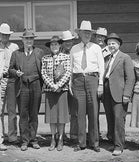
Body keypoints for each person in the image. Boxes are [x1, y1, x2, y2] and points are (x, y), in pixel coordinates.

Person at [69, 20, 104, 152]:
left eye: (89, 33)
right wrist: (70, 83)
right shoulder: (74, 49)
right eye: (85, 32)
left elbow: (101, 67)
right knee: (80, 113)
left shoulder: (96, 48)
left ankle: (94, 142)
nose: (87, 35)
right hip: (78, 81)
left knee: (94, 112)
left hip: (92, 79)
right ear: (80, 34)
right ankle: (81, 142)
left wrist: (100, 84)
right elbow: (71, 68)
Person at [8, 29, 45, 151]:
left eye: (31, 38)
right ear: (22, 40)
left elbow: (44, 70)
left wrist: (44, 85)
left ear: (33, 40)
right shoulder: (16, 53)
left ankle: (33, 139)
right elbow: (10, 69)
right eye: (26, 38)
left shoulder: (39, 52)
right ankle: (24, 141)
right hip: (22, 85)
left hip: (36, 85)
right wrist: (15, 72)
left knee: (34, 113)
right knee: (23, 114)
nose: (29, 41)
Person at [103, 33, 135, 156]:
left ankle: (119, 146)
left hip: (119, 93)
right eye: (109, 43)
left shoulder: (125, 57)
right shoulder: (107, 57)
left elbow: (130, 78)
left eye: (113, 43)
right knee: (110, 119)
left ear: (119, 44)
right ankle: (115, 141)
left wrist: (127, 94)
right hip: (107, 92)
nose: (111, 45)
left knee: (118, 119)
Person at [41, 35, 71, 151]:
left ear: (60, 45)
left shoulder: (65, 57)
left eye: (56, 44)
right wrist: (52, 86)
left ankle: (61, 139)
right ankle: (53, 138)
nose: (54, 46)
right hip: (50, 91)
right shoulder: (45, 58)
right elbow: (43, 73)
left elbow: (68, 72)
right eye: (52, 44)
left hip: (62, 91)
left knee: (61, 117)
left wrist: (58, 85)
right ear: (50, 46)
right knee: (52, 117)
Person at [0, 23, 19, 144]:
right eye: (3, 34)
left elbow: (18, 63)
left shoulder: (15, 47)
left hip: (12, 80)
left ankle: (12, 136)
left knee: (12, 110)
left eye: (7, 35)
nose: (5, 36)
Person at [60, 30, 78, 142]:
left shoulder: (76, 51)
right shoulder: (59, 54)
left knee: (75, 111)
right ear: (62, 42)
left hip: (74, 85)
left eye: (70, 41)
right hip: (62, 86)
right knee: (62, 111)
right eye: (65, 41)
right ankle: (61, 135)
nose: (68, 43)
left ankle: (74, 135)